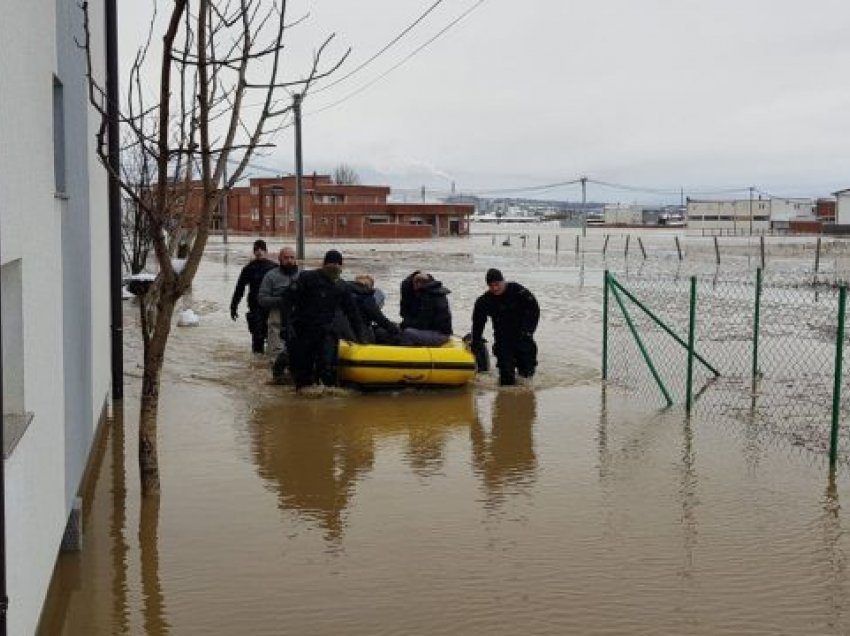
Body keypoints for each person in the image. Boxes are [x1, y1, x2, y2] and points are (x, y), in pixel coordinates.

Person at [289, 250, 365, 389]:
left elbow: (353, 313)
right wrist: (287, 326)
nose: (335, 267)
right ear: (324, 264)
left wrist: (361, 337)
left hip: (327, 333)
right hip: (304, 331)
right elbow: (288, 301)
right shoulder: (307, 278)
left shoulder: (342, 287)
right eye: (331, 263)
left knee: (327, 370)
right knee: (303, 372)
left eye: (338, 264)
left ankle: (324, 397)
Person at [471, 268, 540, 386]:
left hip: (523, 337)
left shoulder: (518, 291)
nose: (495, 288)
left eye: (497, 284)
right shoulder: (483, 301)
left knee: (527, 376)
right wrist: (476, 342)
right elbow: (478, 323)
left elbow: (534, 309)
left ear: (503, 281)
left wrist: (528, 331)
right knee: (506, 379)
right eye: (491, 285)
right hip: (502, 340)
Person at [258, 246, 300, 380]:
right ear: (280, 259)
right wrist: (282, 300)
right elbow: (262, 299)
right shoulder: (271, 276)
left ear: (296, 259)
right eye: (286, 258)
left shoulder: (303, 275)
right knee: (276, 355)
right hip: (277, 315)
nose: (289, 260)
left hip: (297, 316)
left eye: (292, 257)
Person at [230, 239, 277, 353]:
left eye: (261, 249)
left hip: (271, 307)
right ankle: (257, 364)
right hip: (255, 306)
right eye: (256, 249)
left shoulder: (274, 267)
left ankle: (269, 361)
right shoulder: (248, 269)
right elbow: (240, 288)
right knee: (257, 336)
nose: (259, 251)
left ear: (266, 251)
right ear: (253, 251)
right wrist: (234, 306)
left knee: (273, 335)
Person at [398, 271, 453, 346]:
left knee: (408, 333)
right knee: (405, 330)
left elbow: (423, 323)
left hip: (440, 334)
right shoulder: (430, 293)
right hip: (432, 330)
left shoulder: (429, 297)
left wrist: (404, 326)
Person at [347, 274, 400, 344]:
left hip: (346, 332)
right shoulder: (366, 297)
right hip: (361, 335)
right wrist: (396, 330)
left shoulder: (346, 293)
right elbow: (380, 319)